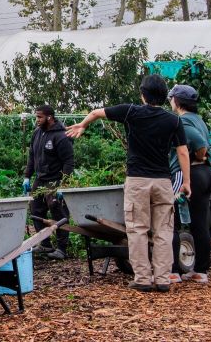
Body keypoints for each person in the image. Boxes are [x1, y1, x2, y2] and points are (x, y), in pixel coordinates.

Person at [66, 75, 190, 293]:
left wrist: (83, 125)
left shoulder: (131, 112)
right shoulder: (174, 120)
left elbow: (97, 113)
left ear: (143, 94)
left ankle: (142, 278)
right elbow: (182, 152)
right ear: (163, 96)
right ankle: (162, 278)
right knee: (163, 231)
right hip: (162, 181)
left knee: (138, 229)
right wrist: (186, 182)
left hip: (137, 181)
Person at [166, 84, 211, 285]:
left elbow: (200, 145)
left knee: (172, 222)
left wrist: (198, 155)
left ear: (177, 101)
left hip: (191, 173)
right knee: (199, 223)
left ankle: (174, 271)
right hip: (206, 174)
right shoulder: (198, 119)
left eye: (171, 98)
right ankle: (201, 270)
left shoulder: (183, 121)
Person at [23, 104, 74, 259]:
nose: (37, 120)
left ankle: (62, 249)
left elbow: (69, 161)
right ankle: (45, 245)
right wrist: (27, 176)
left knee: (57, 210)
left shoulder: (61, 136)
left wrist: (63, 184)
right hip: (40, 178)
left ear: (49, 117)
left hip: (55, 179)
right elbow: (32, 157)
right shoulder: (37, 133)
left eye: (40, 117)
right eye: (36, 116)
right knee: (35, 209)